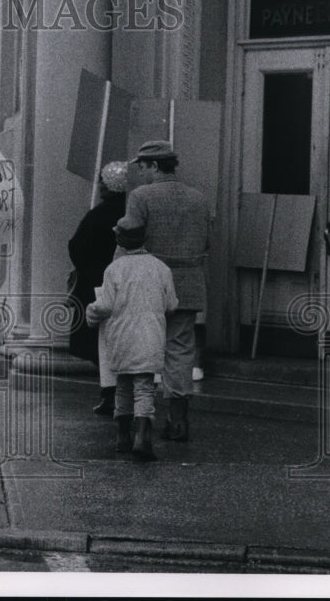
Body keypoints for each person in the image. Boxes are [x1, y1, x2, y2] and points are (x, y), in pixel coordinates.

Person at [121, 140, 210, 442]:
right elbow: (207, 242)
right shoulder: (198, 198)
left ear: (155, 166)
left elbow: (130, 236)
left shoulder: (140, 196)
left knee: (144, 347)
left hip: (151, 280)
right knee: (181, 349)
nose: (141, 174)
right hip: (189, 281)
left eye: (143, 167)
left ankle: (142, 419)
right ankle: (178, 419)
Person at [86, 223, 177, 461]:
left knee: (123, 385)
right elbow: (172, 305)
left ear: (120, 242)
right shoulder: (161, 268)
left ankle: (122, 436)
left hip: (121, 336)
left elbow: (105, 305)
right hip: (150, 335)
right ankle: (143, 436)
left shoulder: (114, 269)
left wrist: (90, 313)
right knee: (145, 387)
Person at [67, 160, 128, 417]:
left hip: (97, 284)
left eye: (103, 181)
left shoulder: (97, 215)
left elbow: (77, 246)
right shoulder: (130, 212)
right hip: (125, 284)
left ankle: (110, 394)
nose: (100, 185)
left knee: (102, 342)